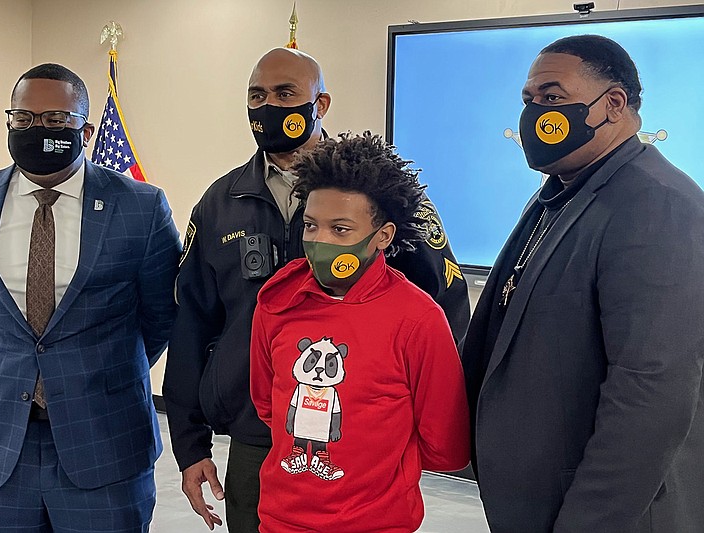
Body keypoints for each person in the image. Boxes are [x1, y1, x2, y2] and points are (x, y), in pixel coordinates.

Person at [162, 47, 471, 532]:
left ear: (320, 103)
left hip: (364, 443)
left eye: (285, 93)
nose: (269, 106)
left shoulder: (380, 194)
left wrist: (397, 421)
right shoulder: (220, 203)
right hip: (255, 432)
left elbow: (445, 308)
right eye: (257, 95)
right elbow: (191, 321)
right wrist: (189, 440)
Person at [461, 35, 704, 532]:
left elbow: (651, 391)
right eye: (528, 101)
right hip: (534, 501)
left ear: (613, 105)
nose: (534, 115)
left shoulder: (656, 204)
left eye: (551, 98)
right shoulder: (561, 192)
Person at [0, 63, 182, 532]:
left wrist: (93, 370)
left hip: (105, 441)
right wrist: (20, 366)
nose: (37, 130)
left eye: (55, 121)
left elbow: (159, 316)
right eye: (23, 119)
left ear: (85, 131)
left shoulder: (141, 207)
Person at [249, 131, 470, 532]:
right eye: (311, 225)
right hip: (279, 522)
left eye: (341, 230)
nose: (319, 242)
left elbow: (445, 446)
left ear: (382, 236)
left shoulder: (418, 319)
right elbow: (269, 404)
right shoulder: (277, 300)